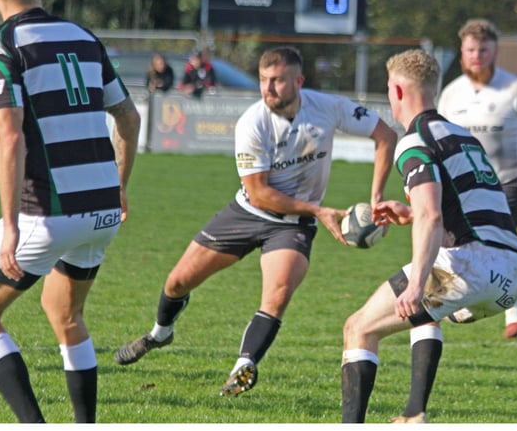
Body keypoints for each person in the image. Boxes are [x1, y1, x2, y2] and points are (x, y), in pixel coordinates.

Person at [114, 46, 397, 397]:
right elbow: (259, 193)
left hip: (292, 225)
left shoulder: (329, 107)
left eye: (277, 81)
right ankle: (160, 333)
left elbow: (385, 135)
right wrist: (319, 211)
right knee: (177, 282)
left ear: (298, 81)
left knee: (276, 296)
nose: (269, 89)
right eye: (264, 80)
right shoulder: (252, 122)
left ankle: (244, 366)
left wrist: (376, 197)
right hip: (247, 212)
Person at [0, 0, 140, 423]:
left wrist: (10, 224)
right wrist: (120, 184)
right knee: (65, 313)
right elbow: (129, 118)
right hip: (101, 211)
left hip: (48, 213)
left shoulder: (0, 45)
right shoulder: (84, 37)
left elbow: (8, 133)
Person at [341, 49, 517, 423]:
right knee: (427, 313)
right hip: (513, 273)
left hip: (468, 266)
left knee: (359, 329)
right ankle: (414, 414)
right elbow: (469, 209)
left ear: (396, 90)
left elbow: (432, 213)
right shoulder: (463, 136)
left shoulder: (414, 142)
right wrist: (410, 214)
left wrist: (417, 282)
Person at [437, 18, 517, 342]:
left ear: (494, 52)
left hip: (513, 182)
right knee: (475, 241)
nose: (476, 55)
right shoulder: (451, 94)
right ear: (462, 53)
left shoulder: (516, 89)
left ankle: (472, 303)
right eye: (470, 50)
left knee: (483, 240)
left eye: (483, 49)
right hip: (468, 185)